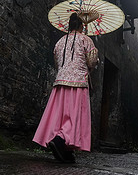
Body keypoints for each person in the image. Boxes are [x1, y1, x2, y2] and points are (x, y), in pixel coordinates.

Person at [33, 13, 99, 163]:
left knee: (61, 114)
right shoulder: (86, 39)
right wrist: (94, 53)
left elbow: (57, 63)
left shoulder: (60, 41)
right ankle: (61, 139)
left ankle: (65, 149)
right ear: (82, 26)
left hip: (61, 81)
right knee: (73, 115)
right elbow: (91, 63)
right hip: (78, 82)